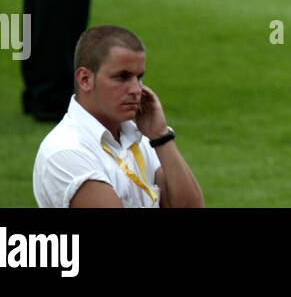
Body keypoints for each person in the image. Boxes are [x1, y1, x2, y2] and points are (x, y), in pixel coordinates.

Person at [33, 24, 203, 208]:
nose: (136, 90)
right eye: (122, 77)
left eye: (139, 77)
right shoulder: (66, 152)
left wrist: (161, 136)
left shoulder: (140, 138)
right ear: (85, 79)